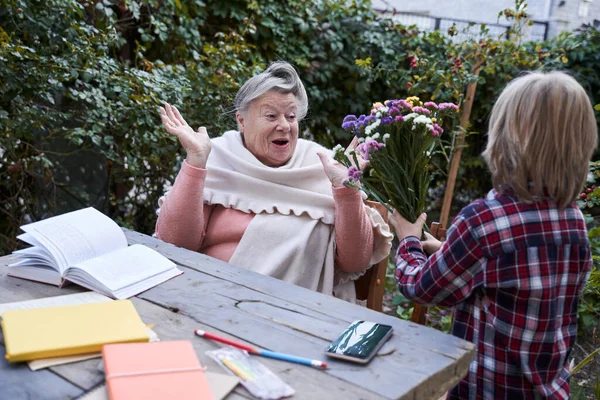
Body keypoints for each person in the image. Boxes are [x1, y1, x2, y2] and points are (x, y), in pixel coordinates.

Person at [389, 71, 598, 399]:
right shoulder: (573, 221)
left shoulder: (484, 222)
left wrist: (408, 239)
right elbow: (521, 281)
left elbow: (421, 287)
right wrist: (449, 250)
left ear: (506, 137)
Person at [156, 61, 392, 302]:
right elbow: (174, 244)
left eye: (291, 116)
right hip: (211, 298)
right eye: (271, 116)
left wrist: (346, 188)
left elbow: (355, 261)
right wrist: (195, 163)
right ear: (242, 121)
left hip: (298, 312)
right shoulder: (216, 155)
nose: (284, 125)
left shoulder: (325, 166)